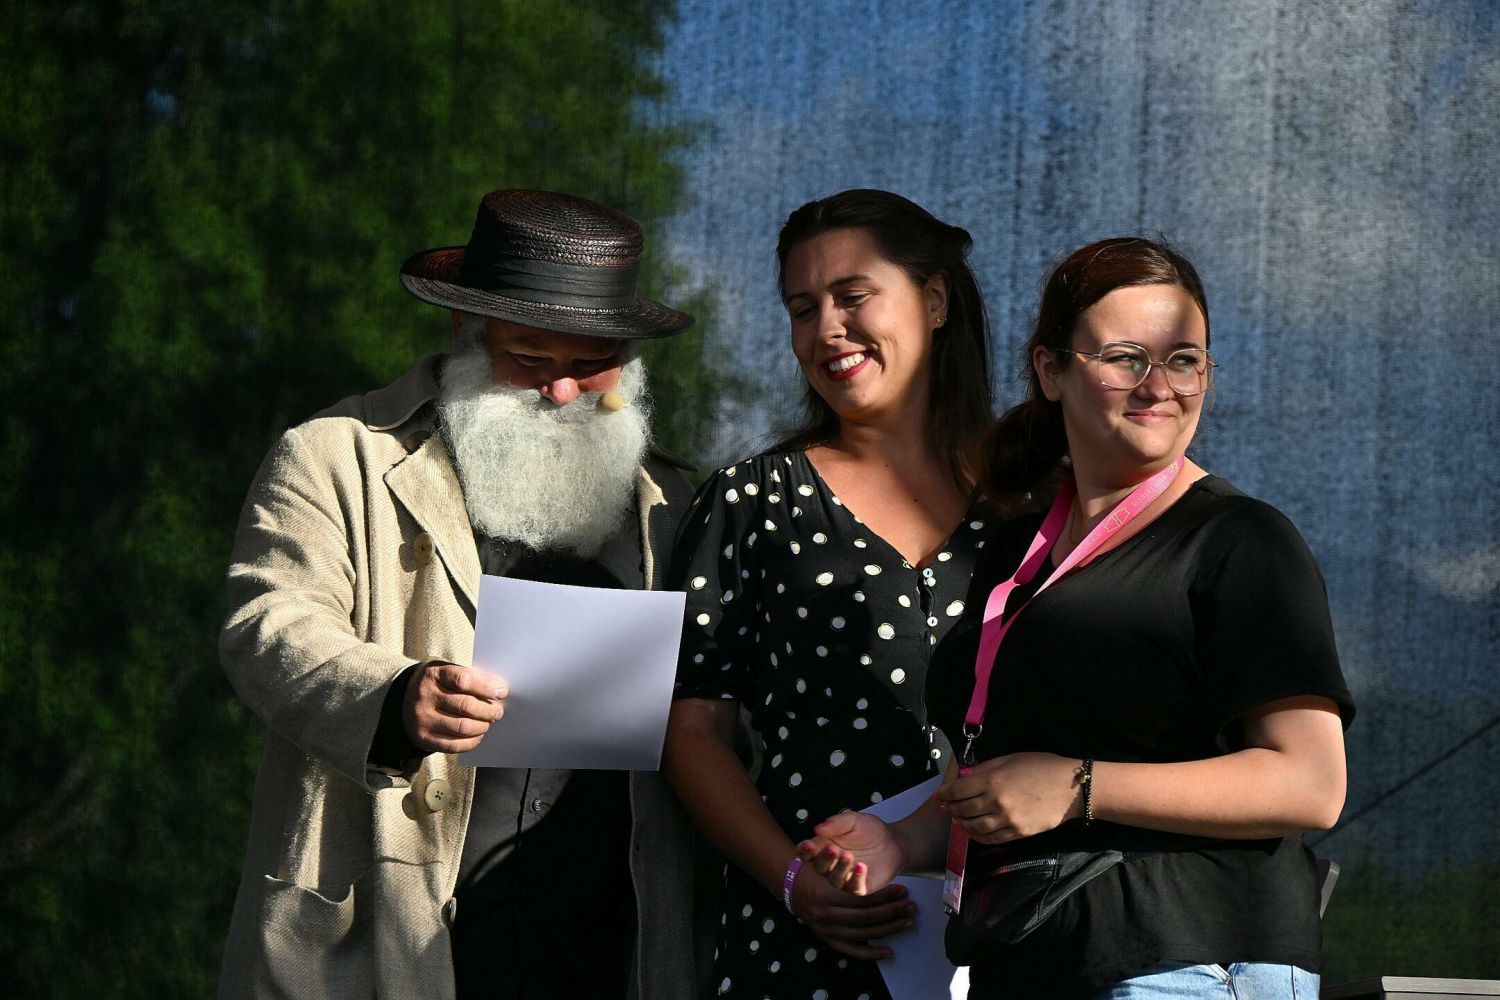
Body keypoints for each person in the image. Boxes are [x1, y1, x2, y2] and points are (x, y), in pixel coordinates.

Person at [799, 237, 1354, 999]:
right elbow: (1005, 782)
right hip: (1030, 963)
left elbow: (1311, 784)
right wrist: (899, 840)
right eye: (1125, 357)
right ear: (1050, 370)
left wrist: (1079, 786)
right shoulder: (1014, 553)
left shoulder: (1240, 539)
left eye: (1184, 360)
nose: (1158, 386)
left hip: (1187, 962)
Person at [218, 189, 708, 999]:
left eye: (592, 363)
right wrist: (395, 695)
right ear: (464, 329)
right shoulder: (337, 456)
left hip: (600, 951)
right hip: (392, 937)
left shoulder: (675, 504)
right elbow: (267, 625)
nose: (562, 391)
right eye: (531, 358)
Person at [663, 189, 1003, 999]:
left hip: (1007, 936)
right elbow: (692, 730)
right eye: (802, 309)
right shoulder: (753, 500)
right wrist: (791, 881)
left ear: (935, 300)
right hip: (803, 946)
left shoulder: (1031, 505)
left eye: (853, 296)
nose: (827, 329)